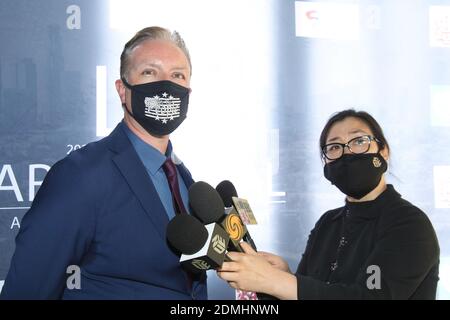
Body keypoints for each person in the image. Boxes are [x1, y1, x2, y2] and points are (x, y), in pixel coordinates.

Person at [1, 26, 207, 299]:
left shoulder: (182, 177)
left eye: (177, 75)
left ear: (188, 93)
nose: (166, 85)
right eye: (149, 72)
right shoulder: (80, 175)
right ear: (123, 91)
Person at [217, 109, 440, 300]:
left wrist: (278, 282)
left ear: (384, 151)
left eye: (359, 141)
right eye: (334, 147)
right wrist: (279, 277)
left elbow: (370, 297)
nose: (347, 152)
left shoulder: (409, 224)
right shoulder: (327, 223)